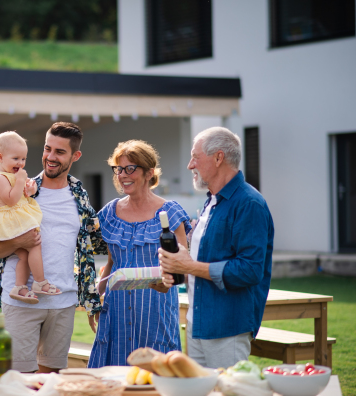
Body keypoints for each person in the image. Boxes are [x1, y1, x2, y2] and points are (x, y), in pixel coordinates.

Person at [0, 122, 107, 373]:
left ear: (75, 156)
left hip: (64, 302)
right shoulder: (22, 190)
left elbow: (97, 243)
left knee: (52, 381)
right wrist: (19, 242)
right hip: (22, 301)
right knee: (17, 382)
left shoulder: (79, 196)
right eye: (47, 149)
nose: (50, 156)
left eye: (60, 152)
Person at [158, 126, 274, 369]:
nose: (190, 165)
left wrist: (190, 266)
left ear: (218, 157)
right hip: (196, 323)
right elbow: (204, 259)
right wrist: (178, 267)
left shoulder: (249, 204)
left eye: (195, 157)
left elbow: (250, 270)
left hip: (227, 328)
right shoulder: (212, 201)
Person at [88, 140, 192, 368]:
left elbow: (182, 268)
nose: (123, 175)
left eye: (130, 168)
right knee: (113, 379)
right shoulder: (109, 213)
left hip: (155, 309)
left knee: (156, 377)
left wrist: (168, 281)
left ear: (149, 173)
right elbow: (112, 263)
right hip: (115, 311)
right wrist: (96, 299)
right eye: (119, 169)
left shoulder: (170, 212)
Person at [0, 131, 61, 304]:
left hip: (15, 218)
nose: (21, 163)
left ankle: (19, 286)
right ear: (0, 157)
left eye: (23, 159)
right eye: (16, 158)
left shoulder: (12, 175)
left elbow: (20, 196)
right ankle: (40, 282)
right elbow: (10, 200)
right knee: (34, 245)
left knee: (24, 255)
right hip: (9, 220)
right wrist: (19, 182)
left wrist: (29, 190)